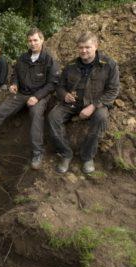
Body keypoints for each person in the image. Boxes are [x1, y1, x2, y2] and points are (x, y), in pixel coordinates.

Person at [0, 28, 59, 170]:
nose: (32, 43)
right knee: (2, 109)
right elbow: (15, 74)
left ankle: (37, 153)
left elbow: (52, 84)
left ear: (42, 40)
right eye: (30, 41)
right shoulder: (23, 58)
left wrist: (37, 97)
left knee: (35, 115)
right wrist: (14, 84)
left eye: (35, 40)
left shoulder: (49, 59)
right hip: (22, 93)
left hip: (40, 95)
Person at [48, 31, 120, 174]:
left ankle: (87, 156)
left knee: (101, 117)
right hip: (73, 102)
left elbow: (113, 91)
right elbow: (60, 86)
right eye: (81, 47)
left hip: (96, 102)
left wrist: (93, 106)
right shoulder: (71, 65)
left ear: (96, 46)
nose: (83, 51)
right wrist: (64, 95)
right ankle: (66, 153)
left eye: (87, 47)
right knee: (53, 117)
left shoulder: (109, 64)